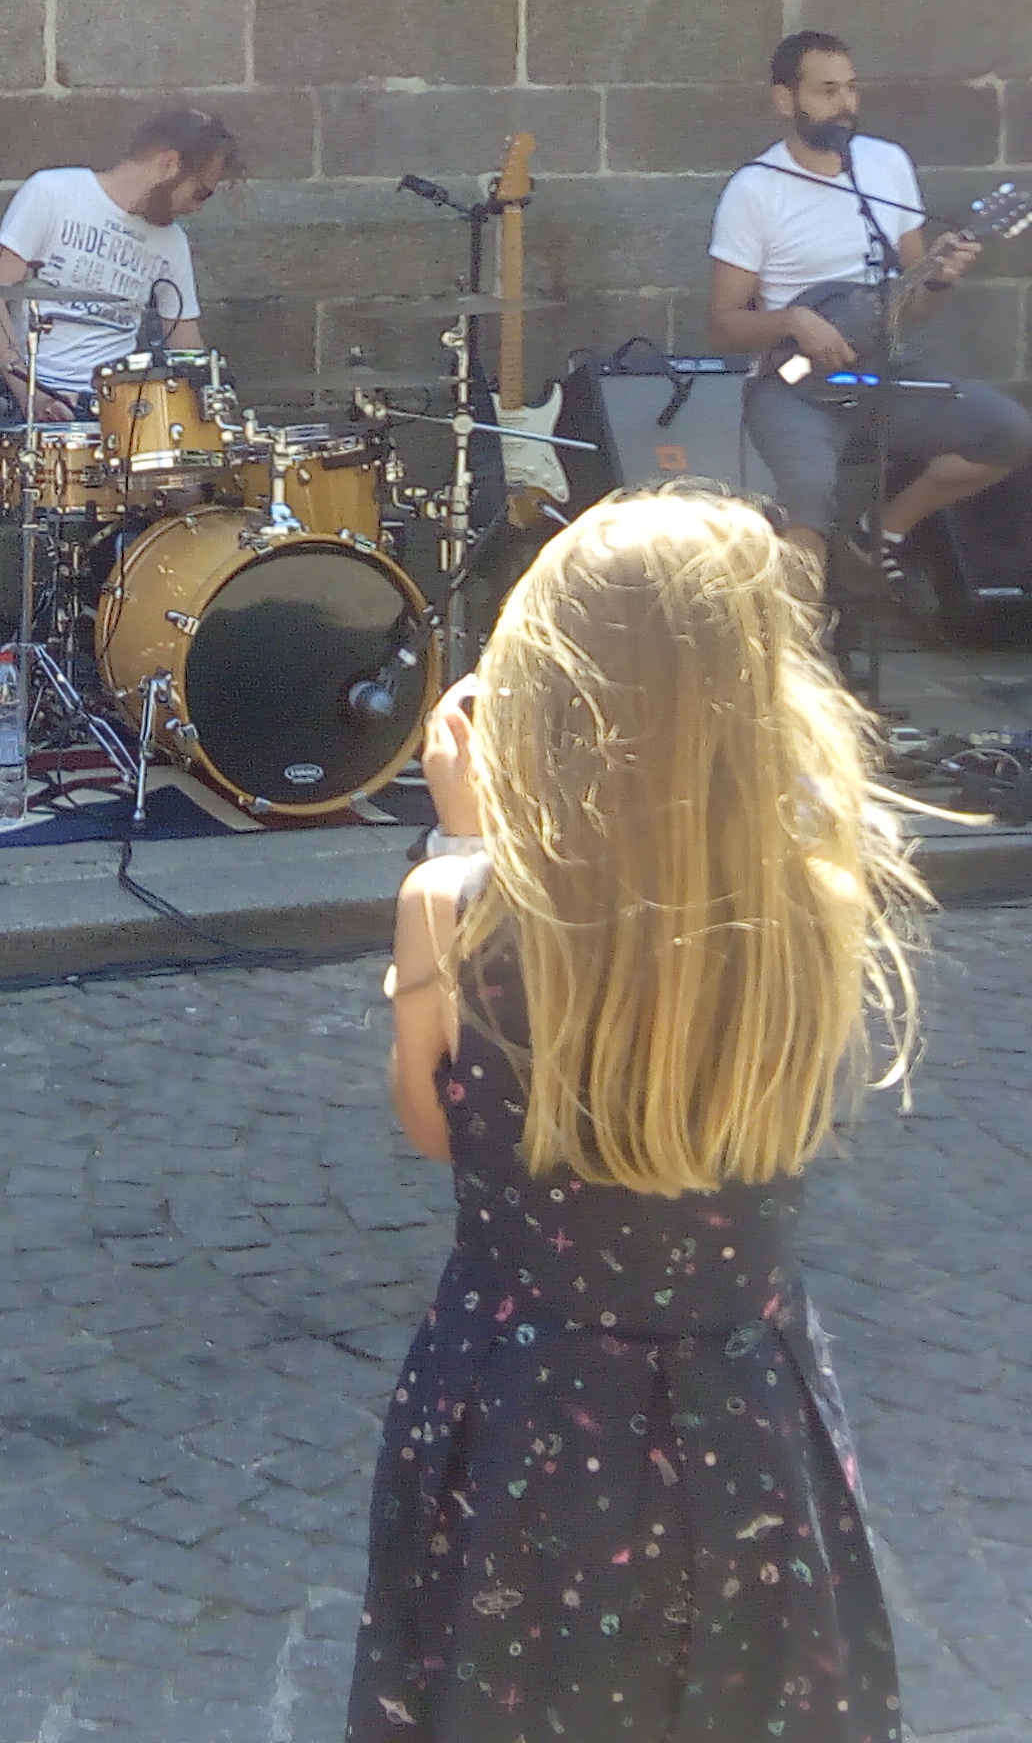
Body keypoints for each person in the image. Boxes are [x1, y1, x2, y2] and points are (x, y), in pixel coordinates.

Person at [353, 490, 919, 1743]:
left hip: (523, 1413)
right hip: (745, 1411)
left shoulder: (453, 905)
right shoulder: (819, 893)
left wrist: (460, 836)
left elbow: (441, 1131)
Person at [705, 31, 1032, 595]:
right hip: (793, 385)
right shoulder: (754, 190)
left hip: (882, 370)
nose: (845, 103)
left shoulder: (887, 164)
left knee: (1007, 433)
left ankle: (883, 529)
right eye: (827, 90)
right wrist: (793, 320)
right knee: (807, 500)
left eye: (851, 88)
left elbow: (915, 305)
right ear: (785, 100)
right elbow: (722, 326)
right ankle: (798, 633)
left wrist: (939, 276)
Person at [0, 106, 243, 687]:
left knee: (188, 492)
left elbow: (185, 341)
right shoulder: (54, 192)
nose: (199, 206)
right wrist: (24, 385)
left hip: (111, 403)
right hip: (24, 383)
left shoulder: (170, 242)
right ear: (168, 164)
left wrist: (215, 412)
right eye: (200, 191)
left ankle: (153, 669)